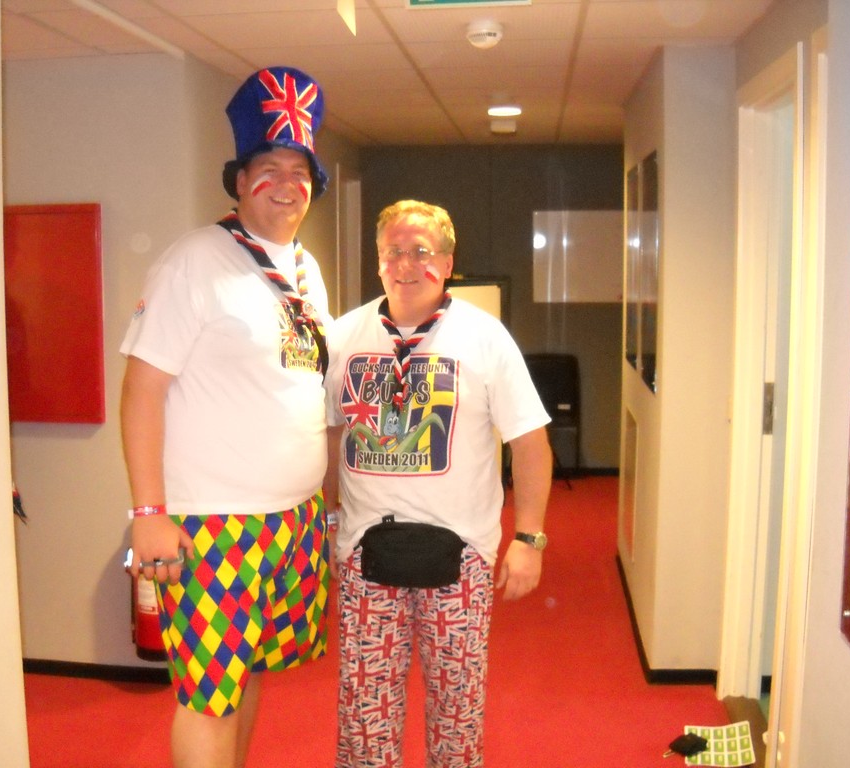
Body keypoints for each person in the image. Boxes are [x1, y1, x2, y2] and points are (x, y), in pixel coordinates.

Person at [120, 66, 333, 768]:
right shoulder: (195, 261)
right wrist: (148, 513)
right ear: (239, 182)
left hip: (292, 520)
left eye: (299, 171)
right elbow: (141, 391)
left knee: (248, 676)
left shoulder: (304, 268)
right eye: (268, 168)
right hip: (214, 525)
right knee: (208, 697)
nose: (285, 183)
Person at [323, 200, 553, 768]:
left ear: (447, 263)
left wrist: (529, 539)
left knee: (457, 707)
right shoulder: (344, 335)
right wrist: (329, 519)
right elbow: (330, 434)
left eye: (421, 252)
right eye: (393, 252)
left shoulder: (485, 337)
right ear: (378, 260)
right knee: (365, 711)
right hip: (365, 551)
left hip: (462, 553)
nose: (406, 264)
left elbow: (530, 442)